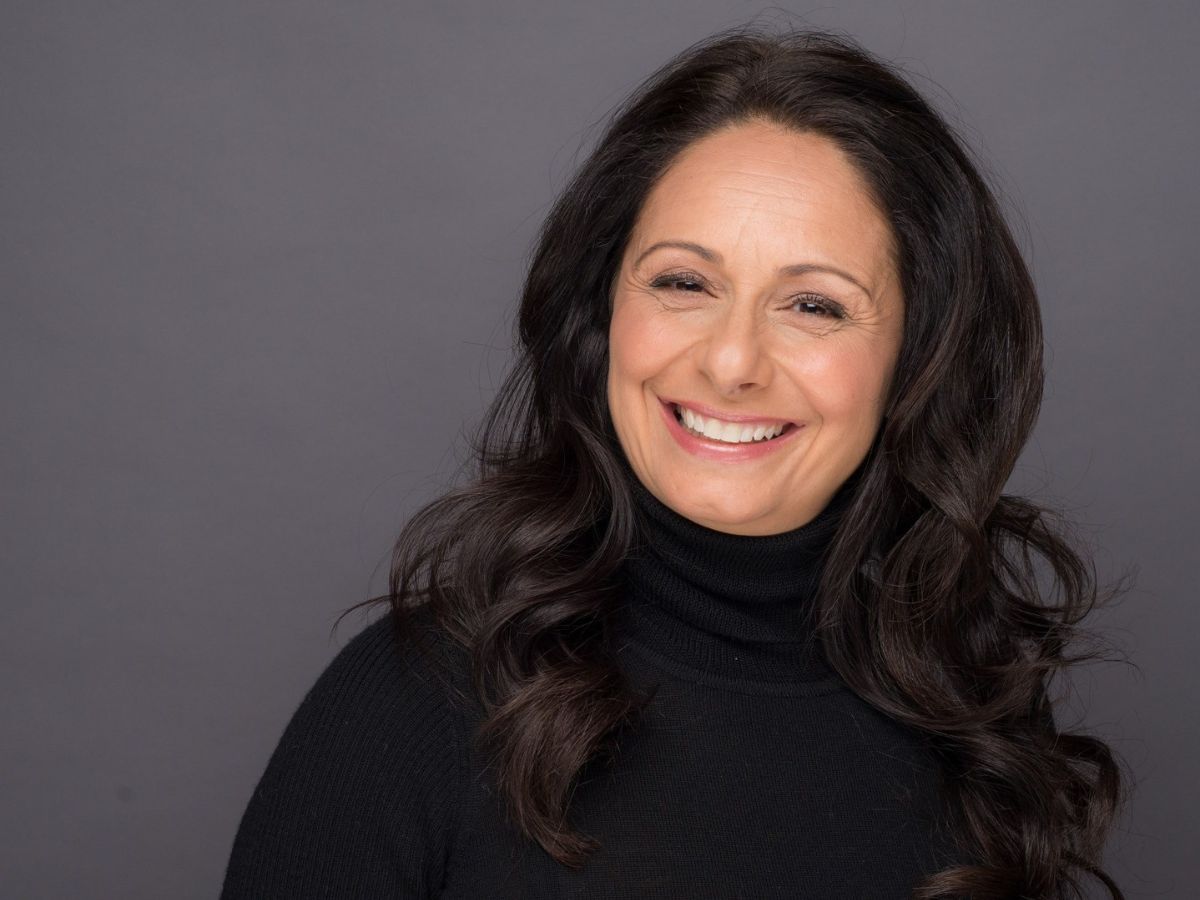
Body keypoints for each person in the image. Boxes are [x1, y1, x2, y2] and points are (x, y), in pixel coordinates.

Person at [219, 24, 1130, 900]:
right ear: (602, 312)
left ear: (919, 359)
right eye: (684, 283)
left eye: (813, 305)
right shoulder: (409, 711)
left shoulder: (973, 724)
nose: (731, 363)